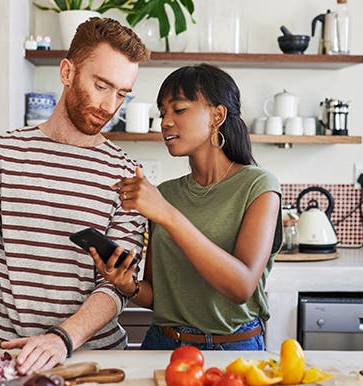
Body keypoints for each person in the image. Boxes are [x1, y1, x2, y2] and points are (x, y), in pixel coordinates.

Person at [0, 17, 150, 373]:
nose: (109, 106)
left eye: (121, 93)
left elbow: (117, 285)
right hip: (2, 357)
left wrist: (61, 338)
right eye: (101, 85)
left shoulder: (126, 175)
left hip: (91, 362)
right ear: (67, 72)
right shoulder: (0, 155)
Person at [92, 64, 283, 351]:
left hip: (232, 349)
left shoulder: (258, 186)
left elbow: (241, 287)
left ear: (217, 116)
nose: (165, 122)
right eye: (162, 113)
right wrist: (126, 284)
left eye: (178, 110)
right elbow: (158, 296)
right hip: (163, 344)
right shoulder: (166, 193)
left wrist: (167, 214)